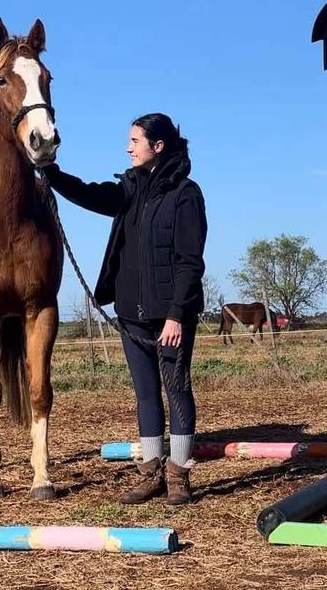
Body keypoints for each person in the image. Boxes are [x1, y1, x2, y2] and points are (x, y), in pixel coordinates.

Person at [44, 113, 207, 505]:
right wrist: (51, 173)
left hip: (171, 317)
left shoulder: (186, 194)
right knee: (146, 394)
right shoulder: (129, 189)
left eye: (135, 141)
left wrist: (176, 314)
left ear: (158, 146)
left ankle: (179, 475)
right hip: (131, 313)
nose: (128, 147)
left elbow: (191, 262)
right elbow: (90, 194)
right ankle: (152, 472)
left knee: (177, 388)